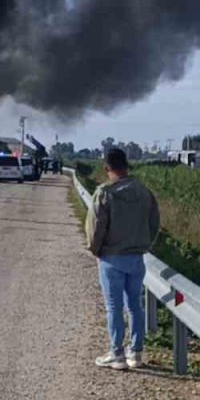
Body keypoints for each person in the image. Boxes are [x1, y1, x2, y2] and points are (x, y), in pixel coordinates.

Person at [85, 148, 160, 371]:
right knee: (135, 306)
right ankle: (136, 353)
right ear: (127, 165)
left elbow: (96, 227)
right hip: (136, 257)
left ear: (107, 168)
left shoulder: (104, 192)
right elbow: (154, 223)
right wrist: (145, 245)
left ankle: (116, 354)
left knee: (114, 307)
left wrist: (96, 250)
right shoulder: (144, 192)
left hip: (111, 258)